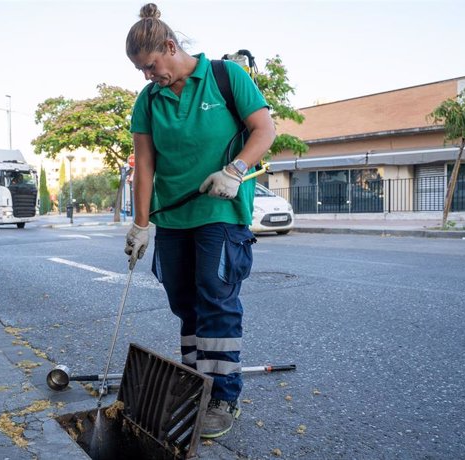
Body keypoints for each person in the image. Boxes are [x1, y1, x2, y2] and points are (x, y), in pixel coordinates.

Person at [124, 3, 276, 439]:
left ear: (170, 47)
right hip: (172, 218)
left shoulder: (227, 77)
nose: (148, 76)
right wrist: (140, 225)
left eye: (151, 66)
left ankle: (223, 396)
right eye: (141, 71)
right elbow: (146, 166)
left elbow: (265, 130)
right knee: (184, 302)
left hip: (220, 213)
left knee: (215, 299)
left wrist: (235, 171)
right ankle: (196, 384)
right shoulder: (148, 99)